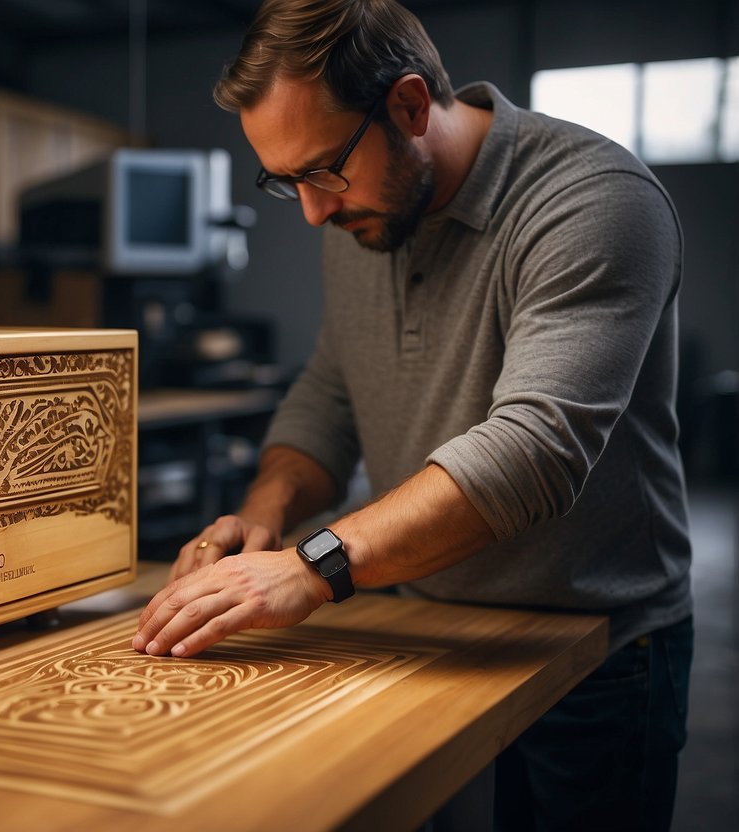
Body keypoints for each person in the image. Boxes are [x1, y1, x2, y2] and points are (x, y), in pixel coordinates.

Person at [130, 0, 694, 829]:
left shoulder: (591, 201)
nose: (314, 212)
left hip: (591, 649)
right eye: (285, 183)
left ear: (407, 105)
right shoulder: (363, 213)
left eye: (321, 170)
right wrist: (265, 516)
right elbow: (329, 392)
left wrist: (310, 565)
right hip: (417, 623)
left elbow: (535, 450)